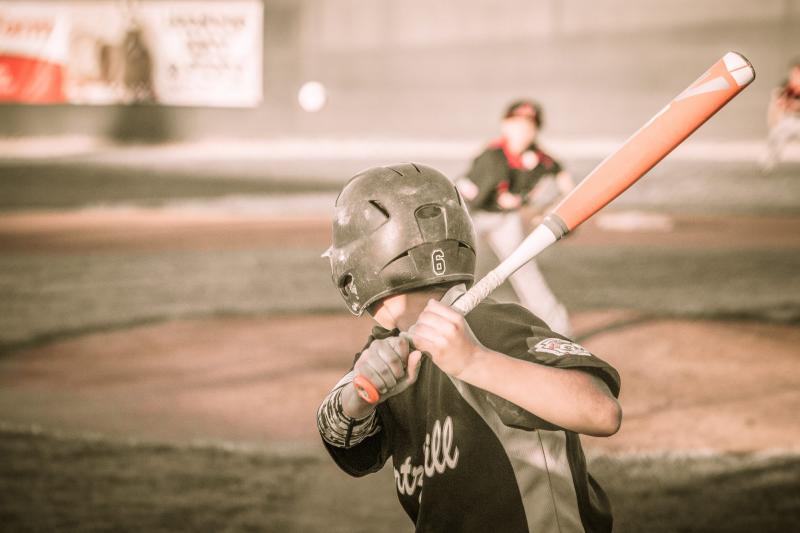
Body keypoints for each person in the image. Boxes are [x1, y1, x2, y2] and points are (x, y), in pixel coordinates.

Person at [317, 163, 621, 533]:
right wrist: (359, 397)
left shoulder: (492, 326)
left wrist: (474, 361)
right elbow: (346, 443)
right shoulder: (388, 345)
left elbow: (601, 412)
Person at [456, 100, 574, 336]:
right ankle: (443, 324)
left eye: (529, 126)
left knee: (524, 268)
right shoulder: (491, 157)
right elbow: (466, 195)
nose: (523, 131)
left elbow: (564, 180)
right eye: (517, 124)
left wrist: (551, 208)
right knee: (457, 269)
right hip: (470, 216)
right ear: (505, 125)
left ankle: (561, 332)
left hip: (505, 221)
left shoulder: (540, 159)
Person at [762, 58, 800, 173]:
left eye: (797, 72)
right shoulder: (785, 86)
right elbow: (776, 103)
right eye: (793, 72)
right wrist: (773, 121)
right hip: (788, 119)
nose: (794, 75)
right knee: (774, 140)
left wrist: (792, 104)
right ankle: (767, 167)